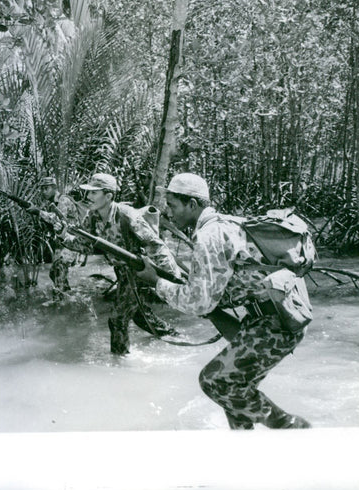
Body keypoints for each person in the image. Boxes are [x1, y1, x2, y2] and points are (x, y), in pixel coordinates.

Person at [149, 172, 311, 429]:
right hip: (271, 317)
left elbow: (198, 303)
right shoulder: (225, 224)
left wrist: (155, 282)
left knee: (216, 382)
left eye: (173, 205)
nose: (168, 212)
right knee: (235, 394)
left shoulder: (209, 236)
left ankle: (291, 427)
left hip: (275, 322)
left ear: (192, 204)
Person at [58, 172, 181, 355]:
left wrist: (171, 278)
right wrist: (61, 233)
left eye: (94, 193)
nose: (88, 197)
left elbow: (155, 245)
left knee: (117, 319)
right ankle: (173, 336)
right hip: (122, 272)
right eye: (88, 192)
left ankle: (120, 361)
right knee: (138, 314)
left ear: (108, 196)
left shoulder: (127, 216)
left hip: (139, 271)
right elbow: (83, 246)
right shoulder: (92, 218)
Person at [38, 176, 82, 301]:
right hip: (62, 243)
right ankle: (69, 298)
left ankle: (59, 303)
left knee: (58, 270)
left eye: (46, 188)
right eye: (42, 189)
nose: (43, 191)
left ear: (54, 188)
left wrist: (38, 212)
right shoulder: (52, 203)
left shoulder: (63, 201)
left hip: (72, 242)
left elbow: (58, 221)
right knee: (54, 273)